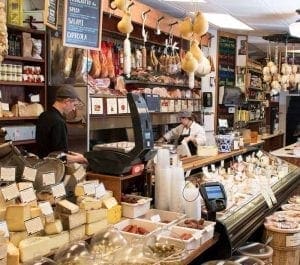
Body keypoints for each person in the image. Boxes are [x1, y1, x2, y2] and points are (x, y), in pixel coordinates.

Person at [36, 84, 87, 164]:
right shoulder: (59, 122)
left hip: (42, 165)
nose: (74, 109)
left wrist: (70, 153)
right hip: (54, 169)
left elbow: (50, 148)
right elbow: (60, 157)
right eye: (74, 105)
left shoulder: (43, 115)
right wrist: (81, 159)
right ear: (67, 101)